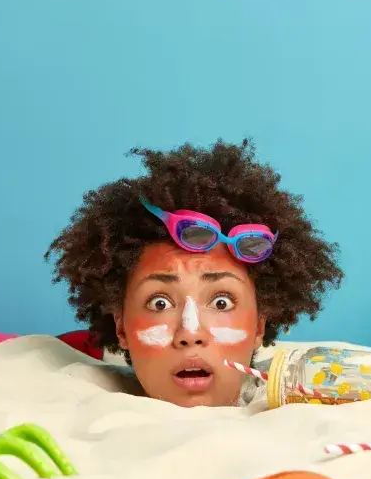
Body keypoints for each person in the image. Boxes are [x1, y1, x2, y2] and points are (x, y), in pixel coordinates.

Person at [45, 140, 343, 407]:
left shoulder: (306, 409)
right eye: (159, 303)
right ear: (121, 327)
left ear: (259, 328)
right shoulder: (63, 398)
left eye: (221, 302)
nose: (190, 333)